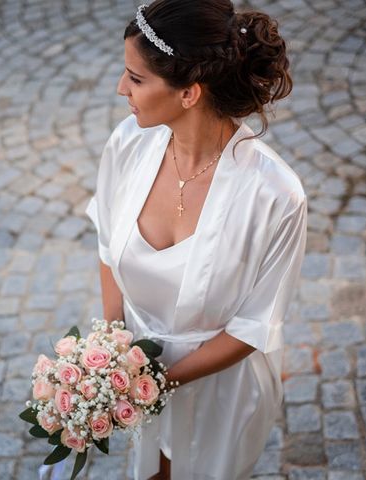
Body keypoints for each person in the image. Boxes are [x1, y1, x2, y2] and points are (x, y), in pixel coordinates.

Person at [85, 1, 307, 479]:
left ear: (189, 93)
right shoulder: (127, 144)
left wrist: (155, 382)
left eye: (136, 79)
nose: (121, 89)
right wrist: (112, 352)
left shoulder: (276, 195)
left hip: (221, 389)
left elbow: (253, 327)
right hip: (135, 371)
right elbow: (107, 244)